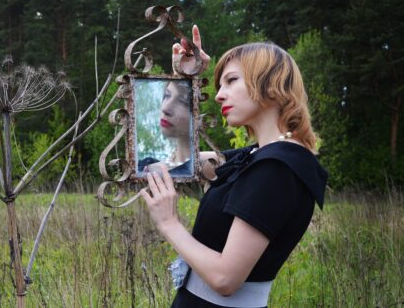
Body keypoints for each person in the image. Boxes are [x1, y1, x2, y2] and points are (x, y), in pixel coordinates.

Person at [139, 25, 328, 307]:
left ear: (270, 84)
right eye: (219, 86)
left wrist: (169, 224)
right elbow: (169, 164)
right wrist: (185, 81)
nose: (218, 95)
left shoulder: (277, 168)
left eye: (231, 81)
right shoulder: (254, 156)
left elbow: (225, 279)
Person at [139, 80, 192, 175]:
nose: (165, 108)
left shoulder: (214, 167)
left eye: (182, 101)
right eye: (167, 95)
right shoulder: (144, 168)